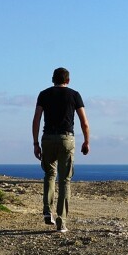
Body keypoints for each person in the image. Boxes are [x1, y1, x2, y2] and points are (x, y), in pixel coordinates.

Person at [32, 67, 90, 233]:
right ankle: (61, 221)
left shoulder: (43, 94)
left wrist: (35, 143)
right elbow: (84, 122)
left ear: (52, 79)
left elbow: (36, 119)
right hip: (66, 139)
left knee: (49, 175)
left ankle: (47, 210)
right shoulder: (74, 95)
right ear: (68, 80)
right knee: (64, 180)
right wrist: (86, 141)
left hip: (48, 138)